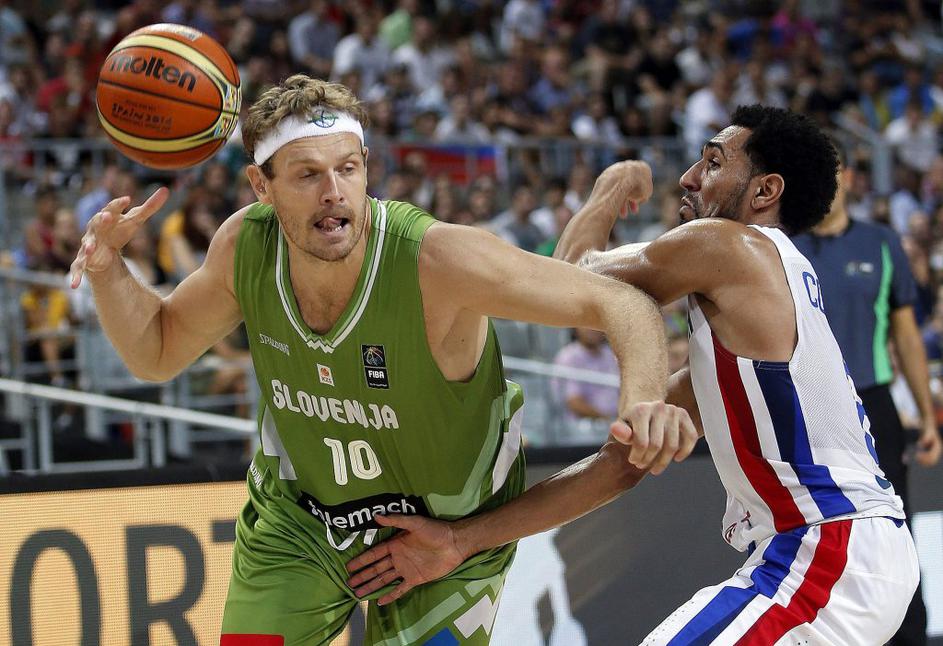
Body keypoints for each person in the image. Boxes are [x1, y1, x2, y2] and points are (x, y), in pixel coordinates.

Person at [69, 75, 689, 645]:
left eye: (347, 168)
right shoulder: (244, 247)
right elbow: (156, 352)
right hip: (302, 521)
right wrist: (106, 269)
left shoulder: (440, 261)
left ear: (366, 166)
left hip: (447, 533)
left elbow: (621, 302)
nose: (333, 192)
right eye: (307, 175)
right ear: (262, 186)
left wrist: (642, 401)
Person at [346, 106, 919, 645]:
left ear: (765, 191)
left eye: (713, 162)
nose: (689, 178)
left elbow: (570, 281)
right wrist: (459, 541)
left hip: (827, 550)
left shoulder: (731, 244)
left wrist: (613, 184)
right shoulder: (756, 313)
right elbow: (619, 466)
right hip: (852, 550)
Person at [792, 149, 941, 646]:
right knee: (812, 537)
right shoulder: (783, 246)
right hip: (805, 410)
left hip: (874, 406)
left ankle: (909, 639)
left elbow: (906, 334)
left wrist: (927, 417)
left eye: (832, 171)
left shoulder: (881, 242)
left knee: (893, 533)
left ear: (849, 178)